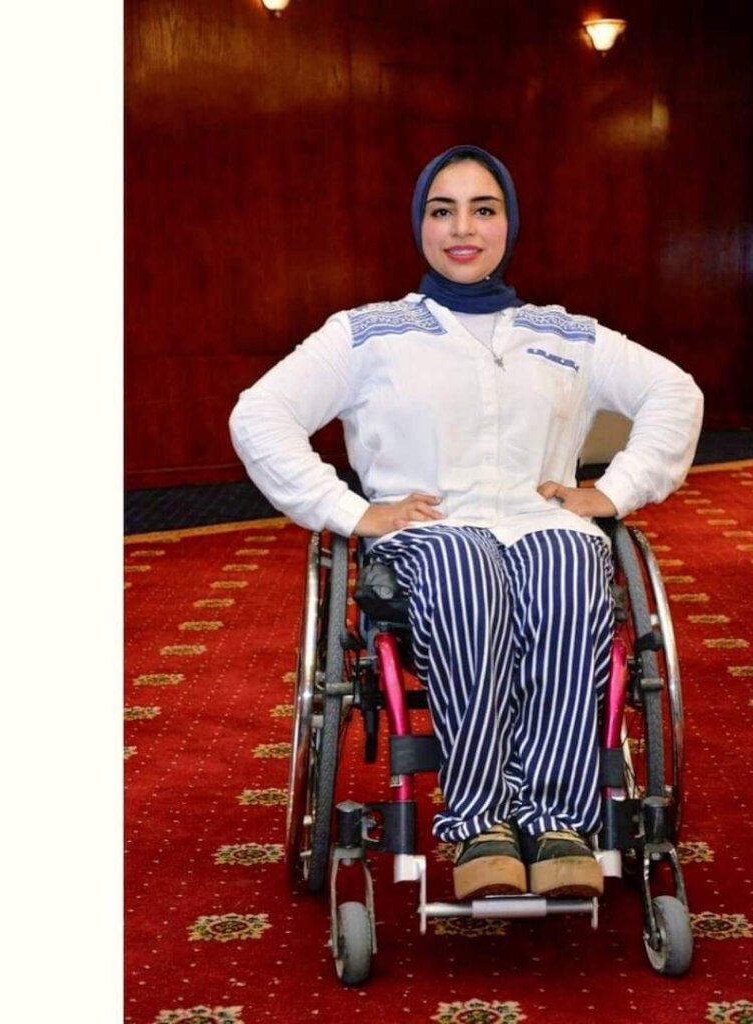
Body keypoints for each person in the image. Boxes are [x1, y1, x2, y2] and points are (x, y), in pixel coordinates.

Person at [229, 144, 703, 902]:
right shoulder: (368, 333)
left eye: (483, 209)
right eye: (441, 210)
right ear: (419, 224)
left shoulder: (566, 334)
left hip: (542, 525)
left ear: (508, 224)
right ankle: (482, 822)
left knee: (569, 566)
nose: (462, 228)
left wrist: (615, 491)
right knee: (464, 566)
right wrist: (351, 511)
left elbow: (674, 394)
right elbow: (261, 414)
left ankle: (557, 823)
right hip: (428, 538)